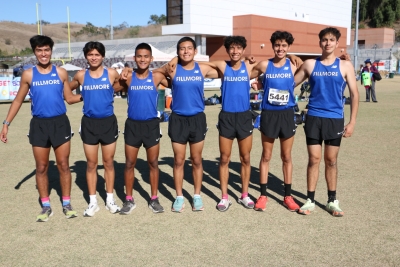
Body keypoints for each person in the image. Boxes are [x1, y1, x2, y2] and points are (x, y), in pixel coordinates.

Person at [200, 36, 302, 212]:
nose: (235, 51)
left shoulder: (249, 67)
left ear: (244, 50)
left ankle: (245, 194)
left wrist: (290, 54)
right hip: (227, 117)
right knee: (224, 158)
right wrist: (177, 58)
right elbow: (200, 67)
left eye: (239, 48)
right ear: (227, 50)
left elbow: (283, 63)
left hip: (245, 116)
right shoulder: (223, 67)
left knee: (246, 158)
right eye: (232, 48)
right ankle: (224, 197)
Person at [0, 35, 82, 222]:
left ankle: (67, 203)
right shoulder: (28, 75)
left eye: (46, 50)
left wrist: (90, 94)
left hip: (60, 123)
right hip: (39, 125)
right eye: (39, 50)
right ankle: (46, 205)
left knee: (63, 165)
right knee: (42, 167)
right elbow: (19, 100)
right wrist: (6, 124)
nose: (43, 54)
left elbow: (69, 98)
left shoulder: (61, 73)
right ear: (35, 52)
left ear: (51, 51)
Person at [294, 27, 359, 217]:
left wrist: (352, 121)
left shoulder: (346, 66)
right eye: (324, 39)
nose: (328, 43)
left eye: (331, 40)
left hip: (335, 119)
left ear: (337, 43)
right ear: (320, 42)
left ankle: (332, 200)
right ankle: (310, 200)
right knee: (313, 159)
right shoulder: (309, 64)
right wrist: (289, 58)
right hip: (314, 118)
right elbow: (290, 83)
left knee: (331, 160)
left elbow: (354, 95)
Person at [156, 37, 219, 212]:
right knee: (178, 160)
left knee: (197, 160)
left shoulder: (203, 68)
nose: (186, 51)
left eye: (189, 48)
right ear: (177, 52)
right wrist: (171, 62)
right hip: (178, 119)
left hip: (197, 119)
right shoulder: (173, 70)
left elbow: (223, 68)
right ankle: (179, 196)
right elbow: (154, 74)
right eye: (182, 49)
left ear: (195, 51)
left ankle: (197, 196)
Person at [249, 31, 300, 212]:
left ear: (288, 47)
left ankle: (288, 196)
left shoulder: (293, 65)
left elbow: (306, 71)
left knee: (286, 157)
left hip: (287, 114)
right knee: (266, 156)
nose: (280, 48)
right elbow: (247, 73)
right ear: (272, 46)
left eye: (284, 45)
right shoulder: (265, 65)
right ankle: (263, 195)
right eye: (277, 45)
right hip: (269, 114)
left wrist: (293, 56)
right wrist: (249, 60)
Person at [115, 43, 169, 214]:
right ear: (134, 59)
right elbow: (113, 86)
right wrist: (124, 70)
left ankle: (154, 198)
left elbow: (174, 78)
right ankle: (129, 199)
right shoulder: (129, 77)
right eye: (139, 56)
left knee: (153, 163)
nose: (143, 59)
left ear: (151, 59)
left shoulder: (156, 77)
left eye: (146, 56)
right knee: (130, 163)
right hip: (132, 125)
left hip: (151, 125)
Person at [69, 41, 121, 217]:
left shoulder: (111, 73)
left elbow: (123, 84)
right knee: (91, 164)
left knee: (108, 163)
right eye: (90, 54)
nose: (94, 57)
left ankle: (110, 200)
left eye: (97, 54)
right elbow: (67, 92)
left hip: (108, 123)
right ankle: (93, 202)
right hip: (89, 124)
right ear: (86, 56)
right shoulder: (81, 75)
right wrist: (83, 96)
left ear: (103, 56)